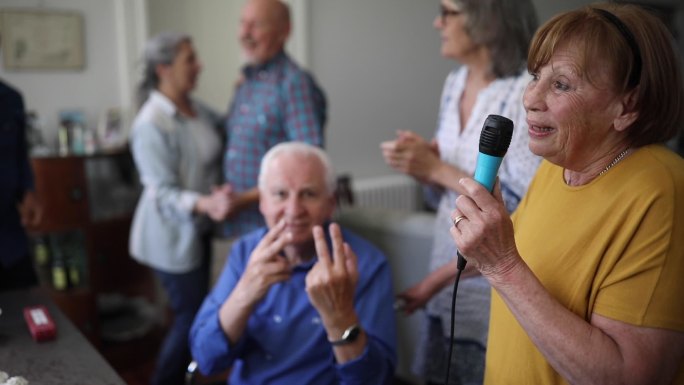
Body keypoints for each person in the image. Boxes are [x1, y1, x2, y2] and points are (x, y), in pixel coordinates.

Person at [449, 3, 684, 384]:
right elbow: (525, 264)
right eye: (535, 76)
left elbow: (627, 375)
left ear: (628, 105)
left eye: (560, 84)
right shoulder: (557, 169)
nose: (530, 99)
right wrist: (473, 255)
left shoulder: (663, 192)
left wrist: (503, 268)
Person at [380, 0, 540, 383]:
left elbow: (521, 207)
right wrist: (423, 169)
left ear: (487, 18)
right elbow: (446, 198)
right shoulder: (454, 84)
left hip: (497, 284)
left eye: (447, 11)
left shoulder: (527, 94)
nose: (437, 23)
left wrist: (438, 168)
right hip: (448, 259)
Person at [190, 142, 397, 384]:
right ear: (262, 202)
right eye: (280, 194)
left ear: (331, 203)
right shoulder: (246, 252)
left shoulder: (366, 263)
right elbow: (206, 359)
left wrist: (340, 317)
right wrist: (244, 293)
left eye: (308, 194)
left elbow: (374, 380)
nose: (293, 210)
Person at [128, 32, 230, 385]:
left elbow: (229, 125)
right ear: (164, 69)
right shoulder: (151, 123)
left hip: (198, 229)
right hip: (168, 235)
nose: (199, 65)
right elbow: (161, 191)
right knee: (190, 314)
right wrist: (205, 202)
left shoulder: (197, 109)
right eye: (190, 59)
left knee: (198, 310)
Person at [220, 0, 327, 240]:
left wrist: (241, 200)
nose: (245, 33)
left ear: (284, 31)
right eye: (242, 24)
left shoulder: (293, 84)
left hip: (276, 233)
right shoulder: (246, 82)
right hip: (237, 228)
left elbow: (308, 164)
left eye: (256, 25)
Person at [0, 78, 42, 291]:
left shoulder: (11, 98)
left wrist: (28, 190)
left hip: (9, 234)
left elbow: (19, 152)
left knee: (30, 307)